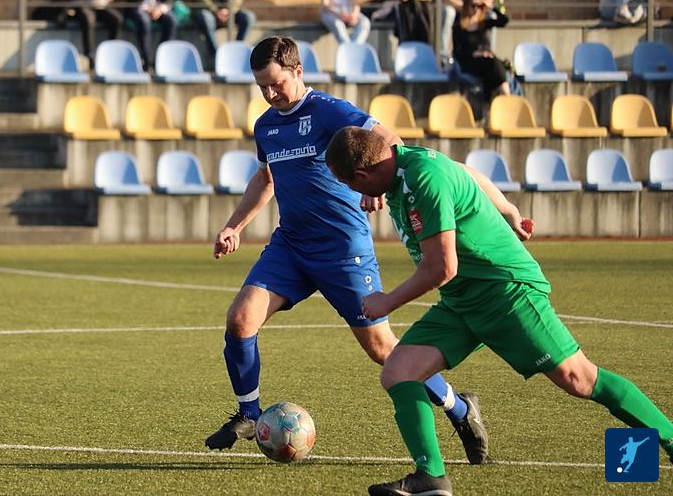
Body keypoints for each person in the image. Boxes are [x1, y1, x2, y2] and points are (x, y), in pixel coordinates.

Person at [325, 127, 673, 496]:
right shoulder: (401, 163)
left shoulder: (424, 178)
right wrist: (505, 207)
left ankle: (668, 438)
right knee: (399, 371)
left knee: (579, 378)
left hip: (505, 292)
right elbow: (464, 170)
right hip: (462, 300)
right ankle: (431, 477)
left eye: (350, 184)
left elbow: (442, 267)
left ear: (363, 174)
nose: (354, 192)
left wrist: (387, 302)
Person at [205, 37, 490, 468]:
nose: (270, 93)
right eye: (262, 86)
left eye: (277, 83)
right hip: (291, 245)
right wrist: (234, 226)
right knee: (240, 319)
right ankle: (249, 413)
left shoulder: (330, 111)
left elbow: (389, 140)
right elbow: (266, 179)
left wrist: (380, 181)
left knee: (383, 349)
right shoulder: (266, 126)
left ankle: (460, 408)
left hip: (343, 250)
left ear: (298, 71)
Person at [64, 0, 123, 69]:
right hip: (83, 3)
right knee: (89, 19)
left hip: (102, 5)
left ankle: (111, 52)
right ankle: (90, 55)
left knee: (116, 19)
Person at [124, 0, 178, 71]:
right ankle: (147, 61)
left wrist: (160, 8)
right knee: (144, 21)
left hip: (158, 7)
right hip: (139, 6)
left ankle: (162, 59)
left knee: (171, 20)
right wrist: (146, 8)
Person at [452, 0, 509, 96]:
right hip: (470, 62)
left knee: (495, 65)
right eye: (473, 6)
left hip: (487, 60)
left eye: (479, 6)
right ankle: (507, 96)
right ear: (467, 6)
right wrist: (474, 53)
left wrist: (491, 7)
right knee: (494, 65)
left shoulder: (483, 24)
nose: (476, 9)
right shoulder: (458, 28)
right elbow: (457, 53)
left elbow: (504, 21)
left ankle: (499, 97)